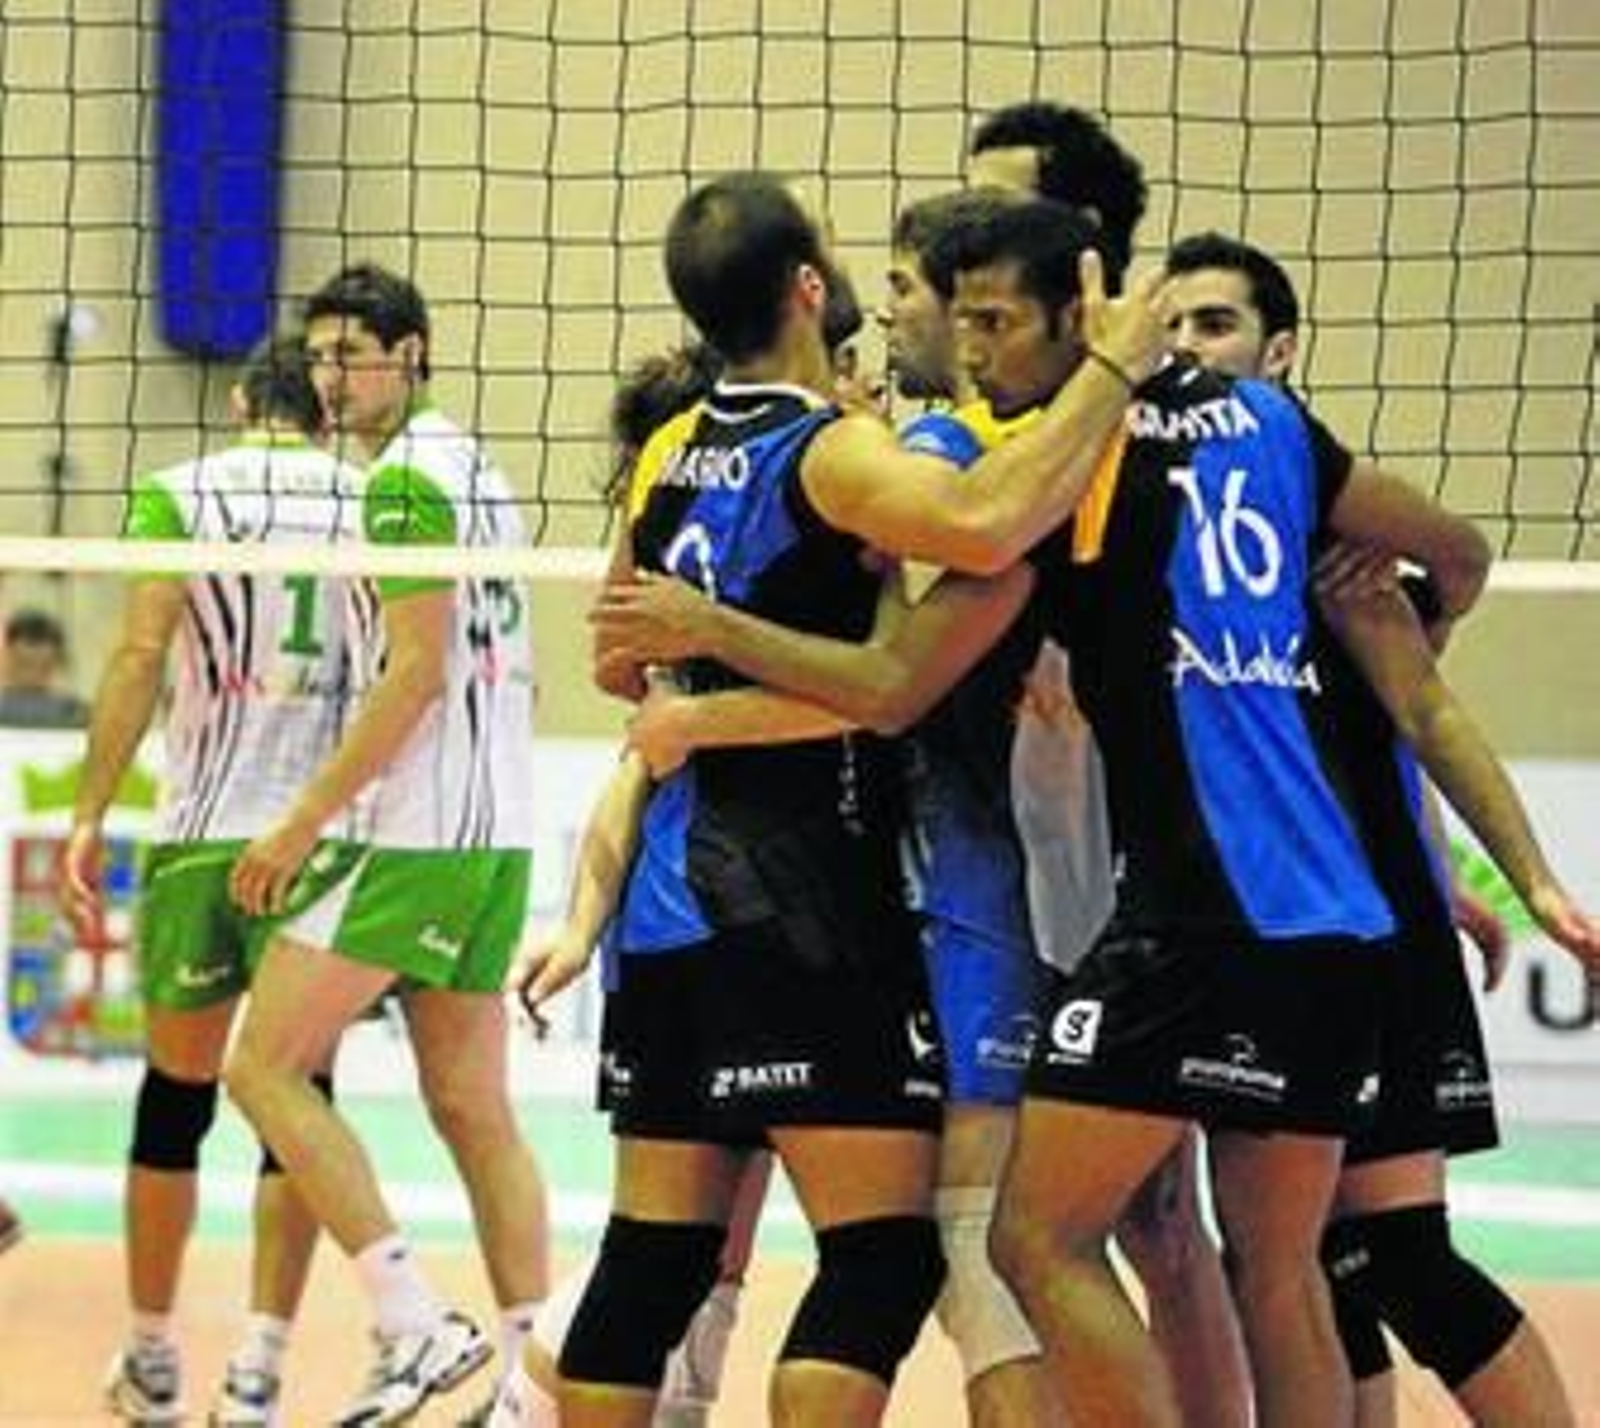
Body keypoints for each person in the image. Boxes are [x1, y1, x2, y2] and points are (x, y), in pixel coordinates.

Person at [560, 171, 1169, 1428]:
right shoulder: (831, 452)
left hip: (669, 916)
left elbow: (616, 658)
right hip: (805, 906)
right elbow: (990, 524)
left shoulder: (670, 446)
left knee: (653, 1258)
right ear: (803, 288)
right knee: (884, 1255)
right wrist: (1111, 369)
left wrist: (705, 690)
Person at [921, 198, 1494, 1428]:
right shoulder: (1274, 423)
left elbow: (929, 610)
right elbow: (1458, 547)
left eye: (995, 324)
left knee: (1033, 1238)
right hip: (1342, 921)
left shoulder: (1074, 465)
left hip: (1199, 918)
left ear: (1084, 310)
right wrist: (1422, 614)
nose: (975, 355)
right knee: (1276, 1272)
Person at [1167, 228, 1600, 1427]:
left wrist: (1532, 885)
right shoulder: (1184, 525)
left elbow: (1427, 683)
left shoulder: (1337, 537)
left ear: (1281, 347)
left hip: (1366, 940)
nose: (1191, 349)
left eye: (1217, 325)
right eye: (1175, 328)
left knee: (1391, 1254)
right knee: (1298, 1267)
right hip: (1260, 932)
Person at [220, 264, 554, 1427]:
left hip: (418, 831)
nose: (331, 377)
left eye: (354, 352)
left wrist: (298, 820)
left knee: (260, 1066)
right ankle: (529, 1382)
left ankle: (417, 1326)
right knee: (472, 1105)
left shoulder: (403, 485)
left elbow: (414, 674)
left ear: (413, 352)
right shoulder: (476, 466)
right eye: (318, 355)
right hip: (498, 828)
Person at [966, 103, 1253, 1428]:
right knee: (1148, 1221)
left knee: (1097, 1221)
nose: (971, 238)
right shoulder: (1011, 393)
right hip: (1039, 825)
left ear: (1081, 254)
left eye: (996, 209)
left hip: (1137, 845)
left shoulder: (1145, 410)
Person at [59, 336, 364, 1427]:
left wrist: (91, 811)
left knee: (174, 1100)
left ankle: (150, 1357)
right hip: (318, 836)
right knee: (298, 1098)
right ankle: (259, 1374)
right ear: (323, 410)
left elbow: (140, 655)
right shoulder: (369, 497)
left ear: (239, 401)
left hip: (199, 831)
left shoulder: (176, 492)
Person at [0, 607, 89, 728]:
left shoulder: (75, 713)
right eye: (25, 664)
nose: (31, 677)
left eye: (43, 667)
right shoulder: (75, 713)